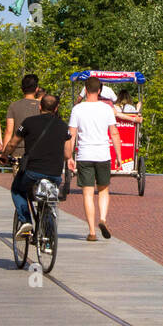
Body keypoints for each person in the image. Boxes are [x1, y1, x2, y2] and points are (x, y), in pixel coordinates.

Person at [9, 93, 74, 237]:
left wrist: (4, 155)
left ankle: (26, 221)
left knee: (17, 190)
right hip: (55, 174)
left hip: (32, 172)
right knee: (48, 201)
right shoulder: (63, 127)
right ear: (56, 108)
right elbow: (68, 154)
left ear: (40, 106)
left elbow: (13, 142)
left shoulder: (28, 122)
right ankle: (49, 239)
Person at [68, 77, 123, 241]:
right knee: (104, 190)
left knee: (87, 193)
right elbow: (114, 133)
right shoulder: (106, 109)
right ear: (99, 91)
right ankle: (103, 219)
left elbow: (72, 134)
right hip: (103, 154)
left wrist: (69, 156)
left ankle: (92, 231)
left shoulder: (77, 109)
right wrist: (119, 155)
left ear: (85, 90)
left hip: (84, 154)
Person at [4, 74, 44, 170]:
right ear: (37, 89)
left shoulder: (13, 106)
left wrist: (4, 153)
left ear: (22, 88)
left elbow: (9, 131)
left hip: (18, 153)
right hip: (38, 153)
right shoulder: (42, 107)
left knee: (20, 183)